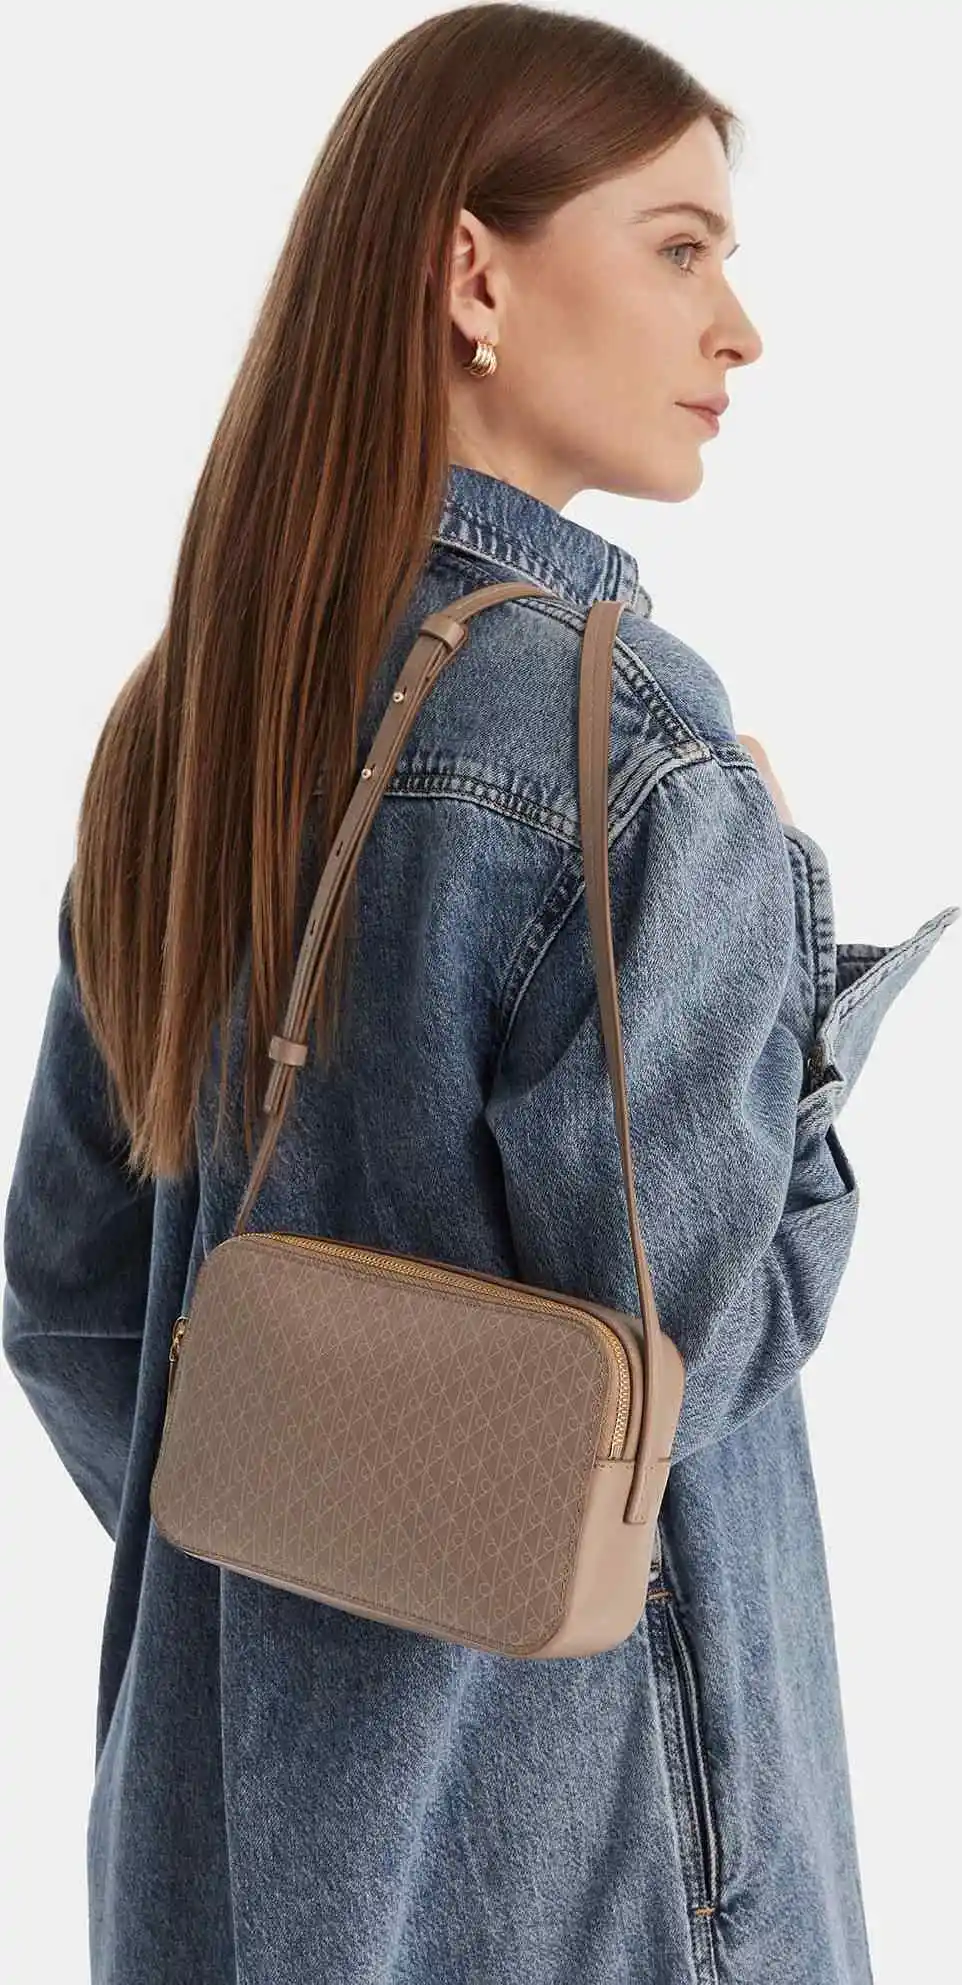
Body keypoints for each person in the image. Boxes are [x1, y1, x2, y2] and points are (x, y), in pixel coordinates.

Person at [3, 8, 957, 1982]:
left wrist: (309, 1580)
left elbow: (75, 1293)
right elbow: (681, 1357)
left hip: (219, 1859)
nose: (740, 330)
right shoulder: (629, 745)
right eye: (679, 247)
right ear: (473, 276)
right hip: (605, 1880)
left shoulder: (191, 718)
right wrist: (779, 928)